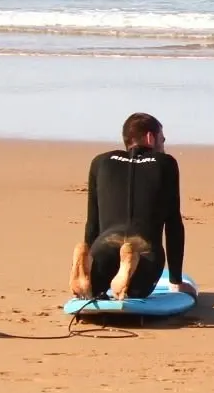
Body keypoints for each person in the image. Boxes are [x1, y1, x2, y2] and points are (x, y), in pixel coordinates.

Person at [68, 113, 193, 302]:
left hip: (103, 247)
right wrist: (176, 280)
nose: (163, 146)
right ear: (151, 138)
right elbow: (174, 225)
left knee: (95, 286)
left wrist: (91, 254)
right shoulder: (165, 163)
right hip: (143, 248)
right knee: (135, 288)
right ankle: (128, 270)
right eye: (162, 140)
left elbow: (92, 222)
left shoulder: (100, 162)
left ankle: (88, 271)